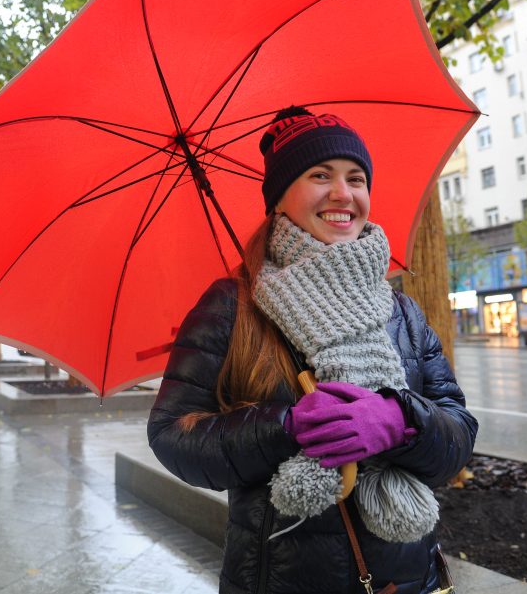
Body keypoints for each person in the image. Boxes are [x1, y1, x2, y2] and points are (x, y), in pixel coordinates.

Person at [148, 107, 478, 594]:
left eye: (356, 178)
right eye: (319, 175)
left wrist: (402, 421)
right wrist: (288, 427)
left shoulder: (401, 310)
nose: (343, 194)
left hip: (407, 580)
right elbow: (173, 436)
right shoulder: (233, 304)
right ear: (279, 199)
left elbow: (458, 434)